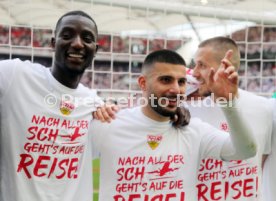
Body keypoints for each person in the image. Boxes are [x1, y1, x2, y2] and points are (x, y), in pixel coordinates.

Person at [91, 49, 257, 200]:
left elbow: (246, 150)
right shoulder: (109, 123)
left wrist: (229, 103)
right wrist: (93, 106)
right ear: (142, 83)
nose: (176, 89)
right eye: (166, 80)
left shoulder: (194, 131)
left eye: (181, 82)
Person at [0, 10, 118, 201]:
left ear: (95, 49)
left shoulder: (94, 104)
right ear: (54, 43)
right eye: (67, 35)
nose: (78, 43)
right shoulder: (15, 75)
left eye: (86, 38)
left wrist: (174, 111)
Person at [189, 36, 273, 201]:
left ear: (224, 66)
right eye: (194, 64)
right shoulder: (187, 110)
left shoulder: (263, 108)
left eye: (201, 65)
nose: (195, 72)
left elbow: (260, 160)